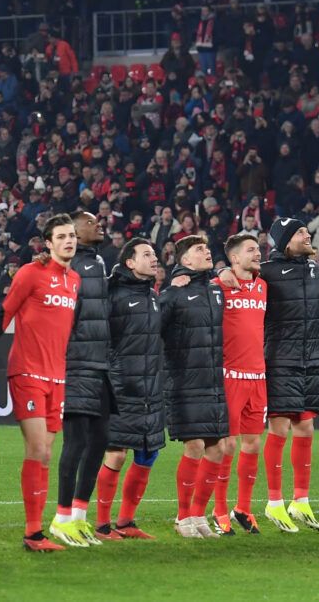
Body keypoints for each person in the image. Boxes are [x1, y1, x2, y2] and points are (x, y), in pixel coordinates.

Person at [0, 214, 80, 552]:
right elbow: (3, 315)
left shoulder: (74, 279)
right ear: (47, 243)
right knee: (39, 449)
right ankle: (32, 534)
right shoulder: (31, 273)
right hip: (27, 371)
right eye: (61, 237)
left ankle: (36, 532)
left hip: (57, 376)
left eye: (71, 236)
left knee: (46, 455)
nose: (68, 241)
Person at [254, 217, 319, 532]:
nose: (308, 234)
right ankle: (274, 503)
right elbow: (236, 277)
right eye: (301, 232)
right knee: (280, 428)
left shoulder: (315, 270)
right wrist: (222, 272)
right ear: (285, 241)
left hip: (312, 359)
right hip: (280, 358)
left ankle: (300, 500)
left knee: (306, 427)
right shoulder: (268, 272)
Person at [95, 238, 167, 539]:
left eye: (154, 253)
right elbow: (101, 339)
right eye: (146, 254)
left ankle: (126, 521)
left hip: (150, 388)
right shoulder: (113, 294)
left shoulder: (152, 295)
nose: (154, 258)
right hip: (121, 385)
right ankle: (101, 525)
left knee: (148, 454)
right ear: (129, 262)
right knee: (116, 454)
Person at [53, 211, 115, 547]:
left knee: (100, 440)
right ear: (73, 232)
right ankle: (62, 518)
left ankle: (78, 517)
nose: (99, 224)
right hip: (73, 364)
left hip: (99, 365)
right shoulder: (68, 265)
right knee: (76, 442)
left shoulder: (100, 263)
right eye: (91, 223)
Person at [161, 235, 230, 537]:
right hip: (185, 380)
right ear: (185, 260)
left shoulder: (216, 291)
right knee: (195, 445)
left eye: (207, 247)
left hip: (213, 380)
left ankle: (199, 517)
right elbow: (154, 329)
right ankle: (182, 517)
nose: (207, 251)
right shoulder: (174, 294)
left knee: (218, 449)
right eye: (199, 250)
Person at [214, 233, 268, 535]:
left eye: (258, 249)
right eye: (251, 250)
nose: (258, 254)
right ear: (234, 258)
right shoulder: (219, 286)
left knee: (253, 444)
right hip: (230, 376)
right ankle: (219, 508)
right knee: (228, 445)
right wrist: (219, 272)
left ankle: (243, 508)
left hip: (258, 377)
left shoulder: (263, 286)